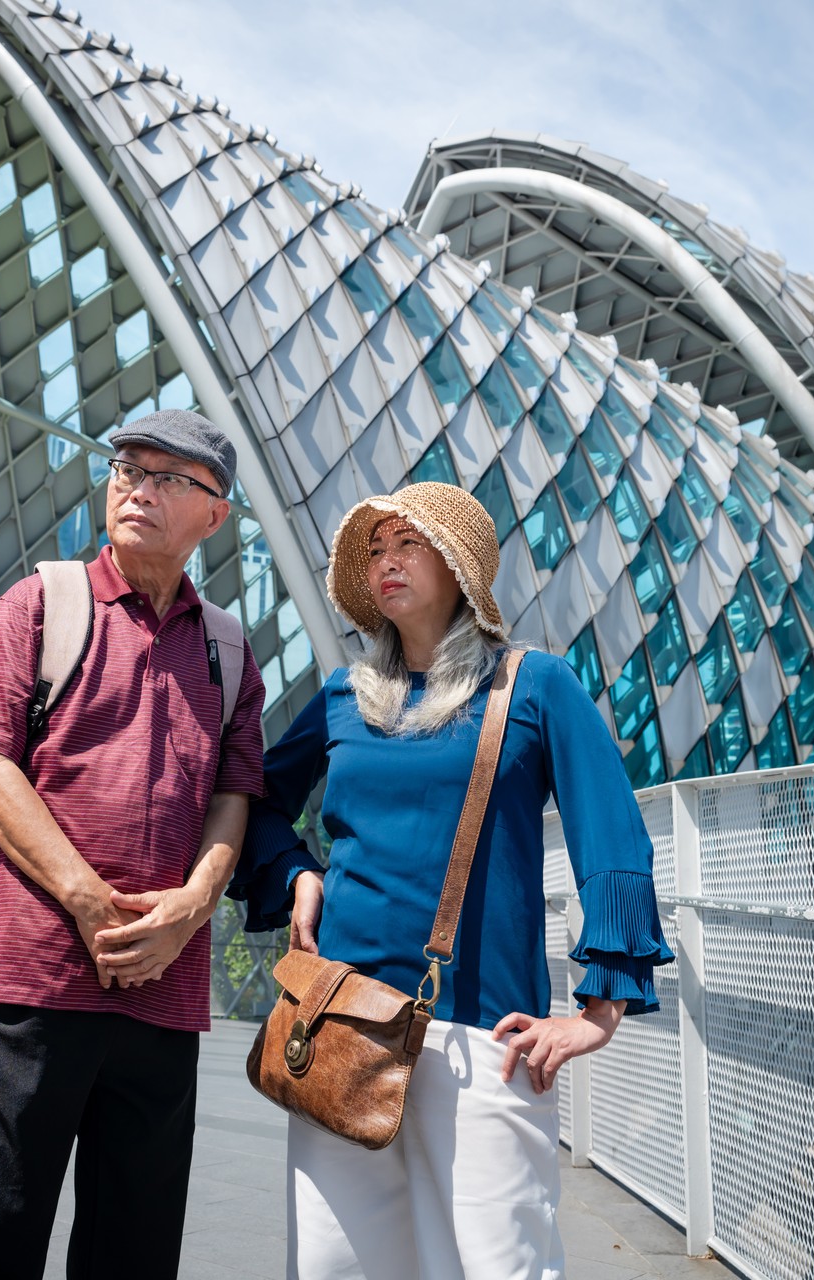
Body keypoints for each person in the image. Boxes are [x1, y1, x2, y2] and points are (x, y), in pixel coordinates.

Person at [230, 482, 673, 1280]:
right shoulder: (342, 698)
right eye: (374, 550)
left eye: (408, 544)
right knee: (334, 1268)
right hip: (339, 1025)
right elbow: (255, 802)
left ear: (460, 565)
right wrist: (298, 876)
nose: (386, 562)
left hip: (483, 1039)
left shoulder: (532, 686)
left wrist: (598, 1010)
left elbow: (609, 833)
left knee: (494, 1267)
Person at [0, 409, 266, 1280]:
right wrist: (85, 898)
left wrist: (192, 908)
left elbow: (235, 796)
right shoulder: (41, 603)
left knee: (134, 1254)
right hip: (31, 983)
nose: (137, 488)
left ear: (214, 514)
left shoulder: (228, 649)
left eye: (168, 478)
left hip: (165, 994)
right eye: (127, 469)